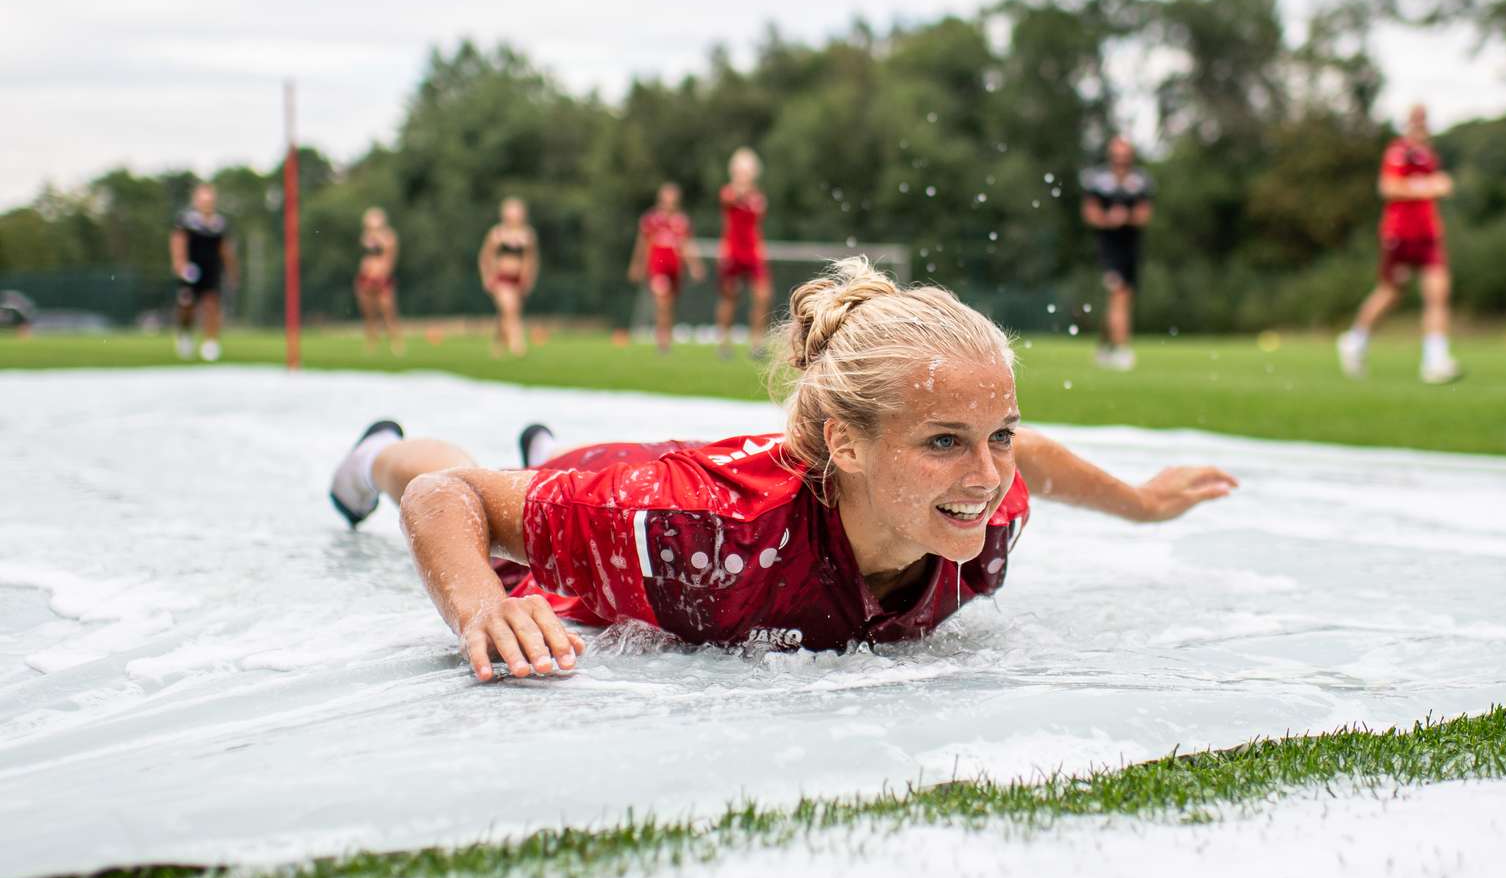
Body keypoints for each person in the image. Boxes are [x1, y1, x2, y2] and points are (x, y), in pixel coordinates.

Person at [326, 258, 1239, 678]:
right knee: (463, 472)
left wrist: (1142, 504)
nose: (988, 474)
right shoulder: (696, 529)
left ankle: (547, 459)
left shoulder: (979, 502)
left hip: (638, 492)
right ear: (846, 444)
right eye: (945, 441)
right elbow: (454, 502)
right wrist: (480, 605)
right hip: (640, 491)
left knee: (552, 476)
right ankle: (373, 452)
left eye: (995, 434)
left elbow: (1023, 455)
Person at [1336, 103, 1462, 385]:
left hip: (1428, 235)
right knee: (1391, 292)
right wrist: (1430, 186)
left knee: (1438, 294)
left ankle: (1435, 361)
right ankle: (1355, 340)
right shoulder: (1398, 151)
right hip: (1399, 235)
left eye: (1424, 120)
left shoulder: (1429, 155)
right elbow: (1389, 188)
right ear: (1408, 123)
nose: (1421, 125)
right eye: (1416, 120)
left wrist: (1435, 185)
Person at [1080, 136, 1153, 371]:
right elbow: (1089, 213)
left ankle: (1103, 346)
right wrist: (1108, 220)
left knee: (1120, 299)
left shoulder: (1140, 181)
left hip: (1131, 249)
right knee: (1119, 295)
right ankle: (1122, 349)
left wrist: (1127, 218)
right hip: (1109, 250)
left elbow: (1144, 215)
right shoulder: (1098, 181)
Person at [626, 183, 705, 353]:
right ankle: (662, 341)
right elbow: (642, 244)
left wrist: (695, 266)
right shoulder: (651, 220)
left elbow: (687, 245)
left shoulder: (682, 221)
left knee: (670, 304)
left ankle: (666, 336)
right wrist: (637, 265)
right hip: (657, 268)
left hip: (675, 269)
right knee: (662, 302)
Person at [714, 148, 772, 358]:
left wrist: (760, 248)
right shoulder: (729, 192)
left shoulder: (758, 198)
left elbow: (756, 226)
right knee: (730, 298)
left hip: (752, 254)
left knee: (763, 296)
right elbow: (729, 202)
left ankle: (757, 344)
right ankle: (723, 342)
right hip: (733, 253)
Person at [170, 182, 235, 362]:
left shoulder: (220, 224)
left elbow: (225, 249)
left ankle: (210, 344)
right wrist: (180, 265)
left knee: (211, 304)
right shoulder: (186, 220)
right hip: (191, 270)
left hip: (212, 269)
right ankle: (185, 335)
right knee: (187, 305)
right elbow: (178, 242)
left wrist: (231, 271)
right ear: (196, 200)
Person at [478, 197, 539, 358]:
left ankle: (498, 344)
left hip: (518, 279)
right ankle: (517, 343)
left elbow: (531, 259)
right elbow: (486, 256)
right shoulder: (497, 234)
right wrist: (486, 276)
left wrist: (528, 278)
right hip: (501, 278)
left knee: (507, 312)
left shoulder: (527, 235)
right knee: (510, 308)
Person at [355, 207, 403, 355]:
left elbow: (390, 258)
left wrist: (382, 273)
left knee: (388, 311)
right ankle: (371, 342)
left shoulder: (389, 237)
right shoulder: (365, 237)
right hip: (366, 277)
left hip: (382, 278)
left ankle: (396, 343)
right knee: (369, 313)